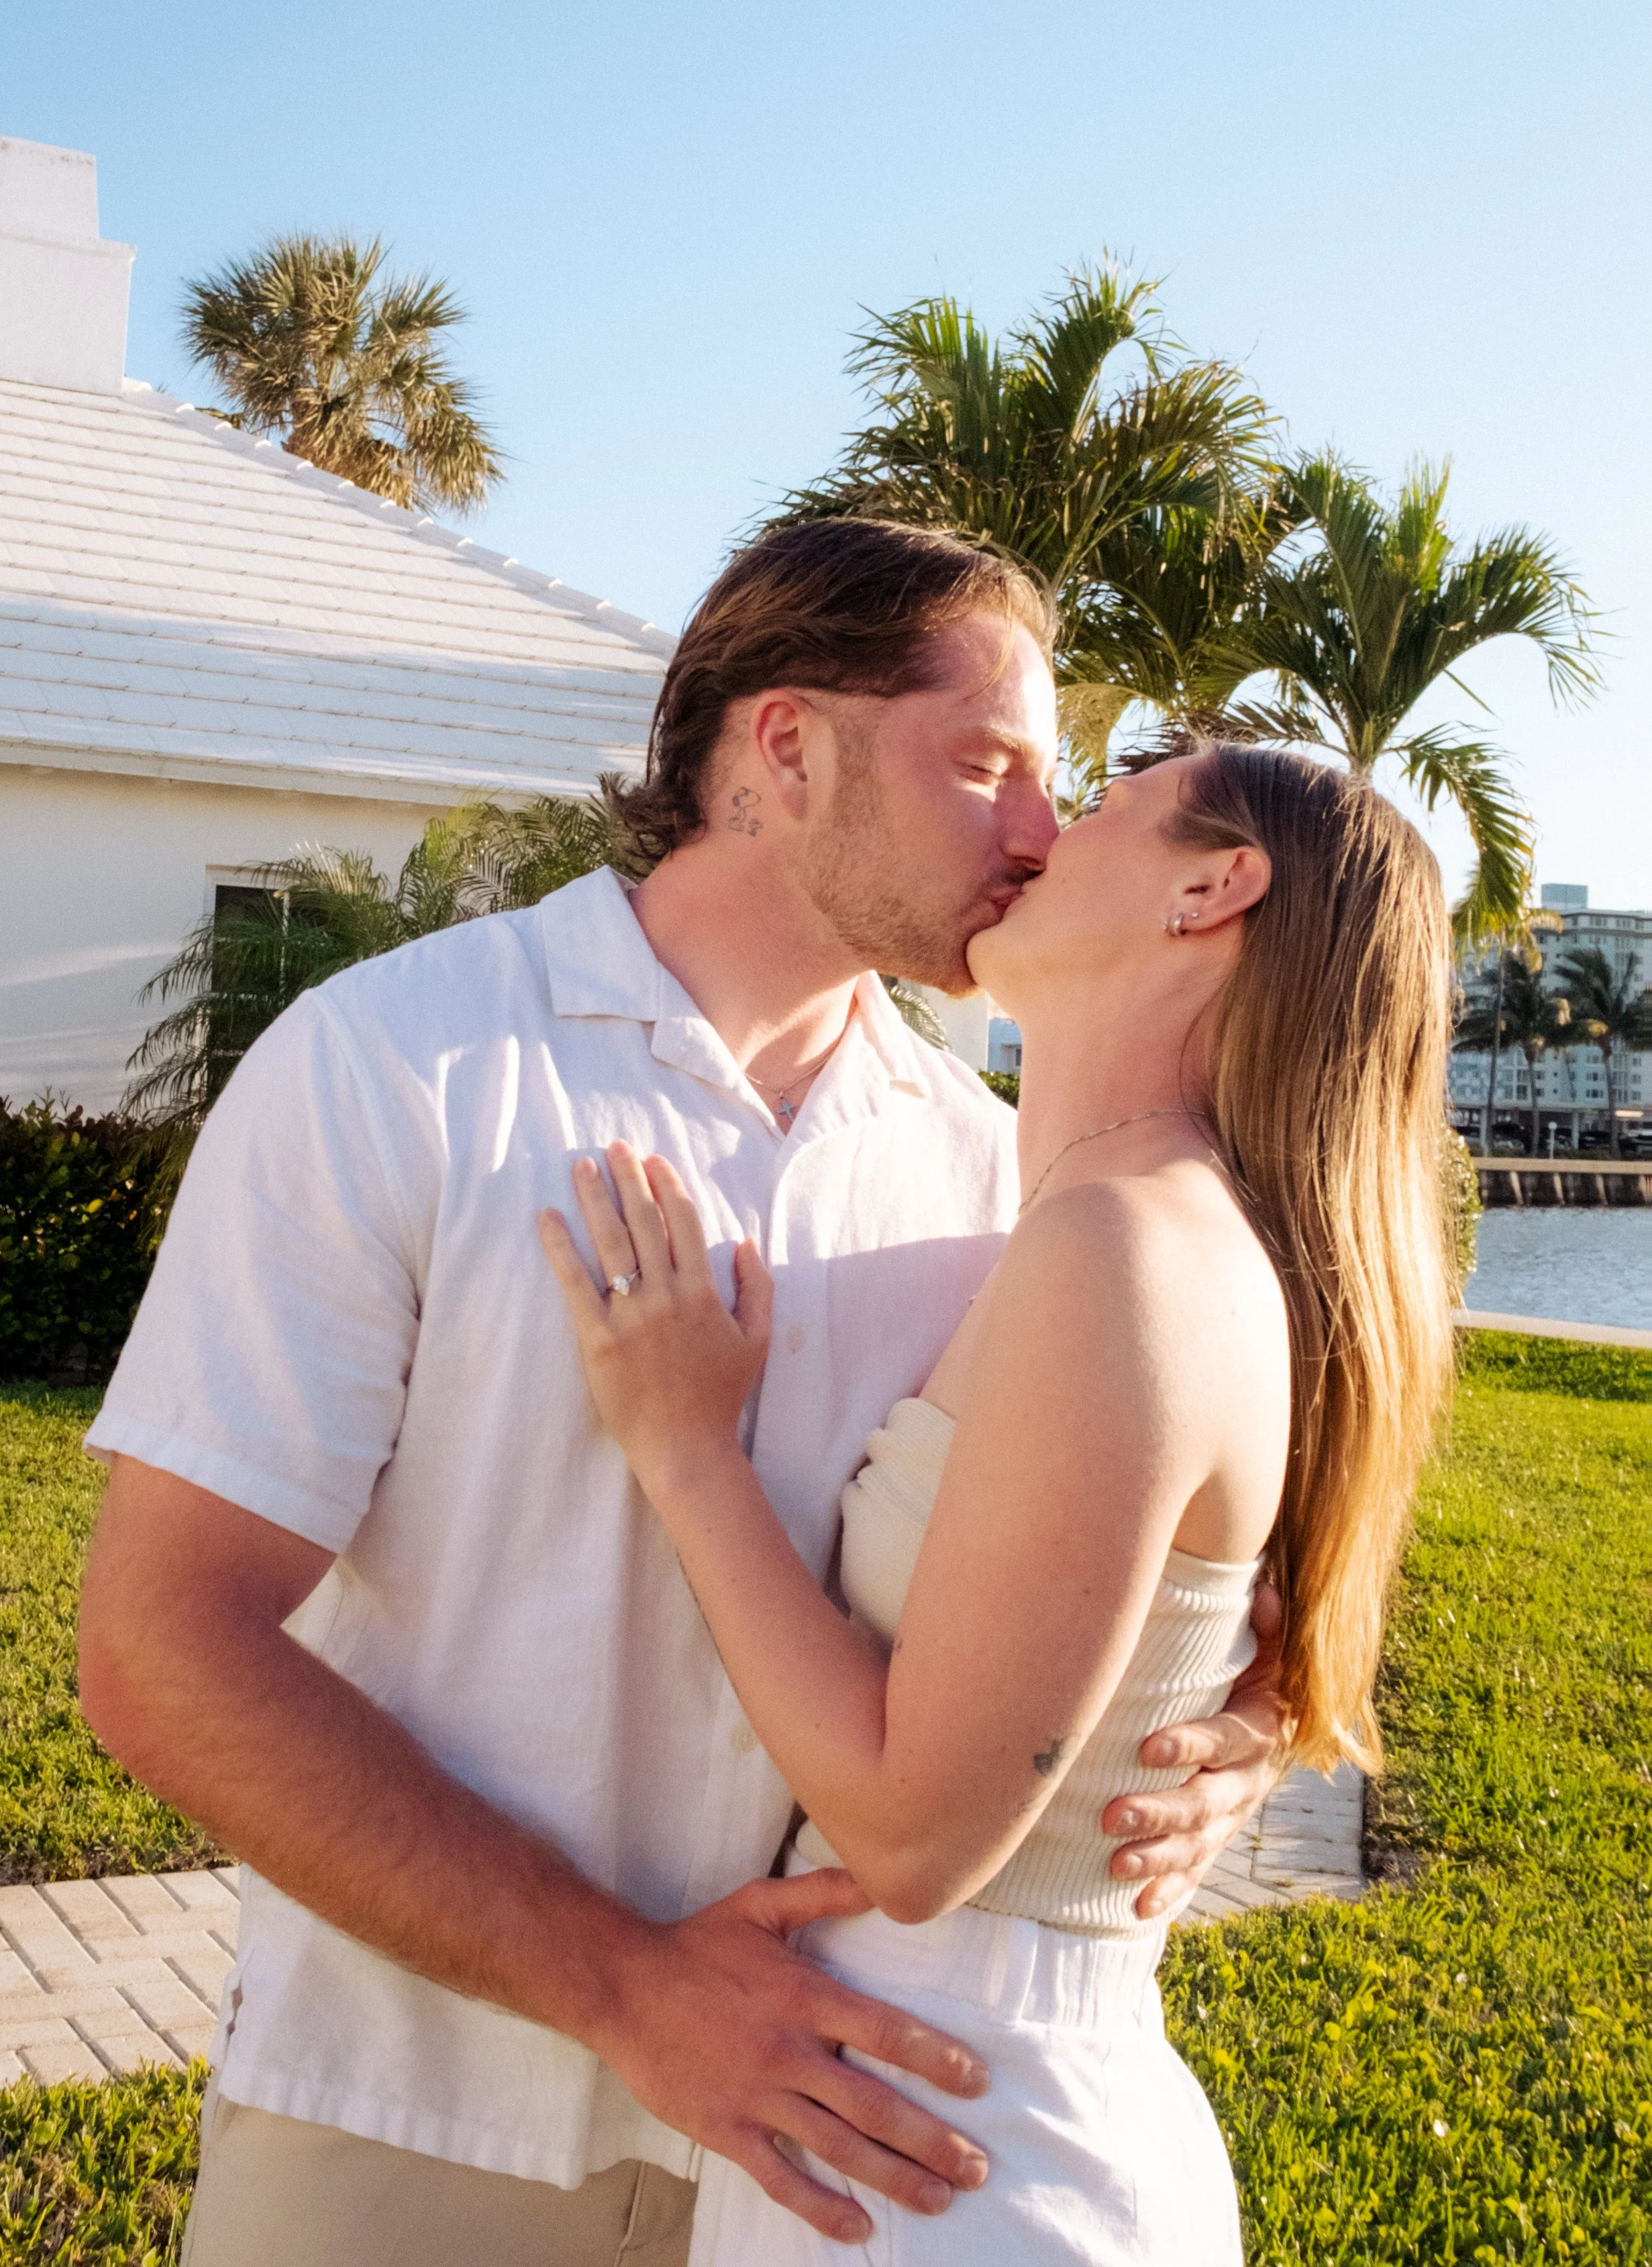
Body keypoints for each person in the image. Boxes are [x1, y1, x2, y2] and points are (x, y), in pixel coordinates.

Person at [78, 519, 1287, 2267]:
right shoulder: (394, 1067)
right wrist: (625, 1986)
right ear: (781, 749)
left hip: (828, 2173)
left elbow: (1121, 1551)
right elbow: (162, 1648)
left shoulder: (992, 1176)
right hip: (417, 2124)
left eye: (1059, 783)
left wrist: (1195, 1737)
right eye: (984, 764)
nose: (1036, 829)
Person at [540, 740, 1455, 2262]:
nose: (1034, 834)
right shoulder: (1111, 1224)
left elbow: (910, 1845)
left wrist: (685, 1448)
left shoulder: (1129, 1247)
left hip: (948, 2140)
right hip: (925, 2098)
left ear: (1212, 888)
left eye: (1096, 806)